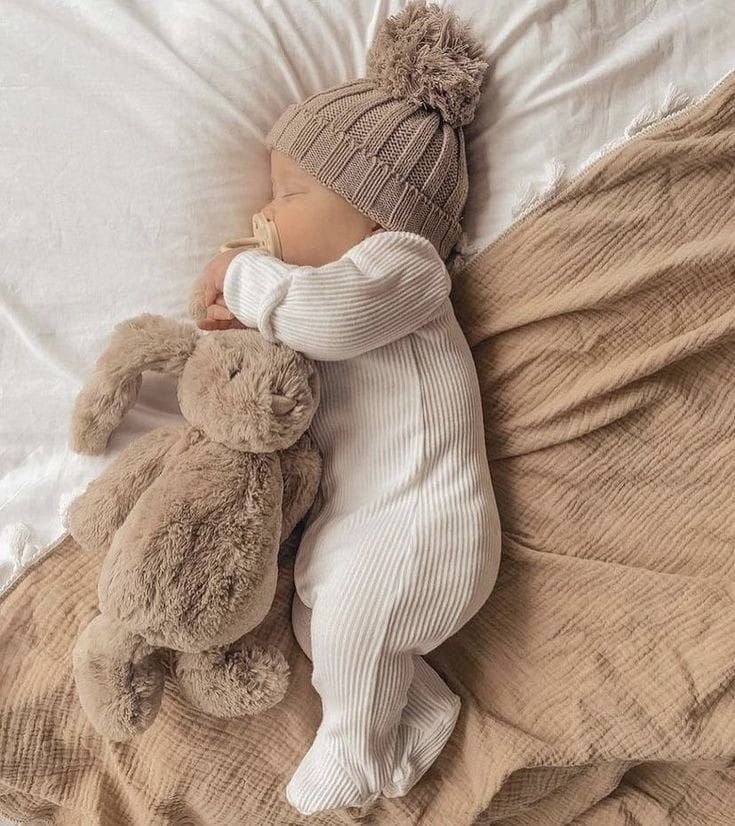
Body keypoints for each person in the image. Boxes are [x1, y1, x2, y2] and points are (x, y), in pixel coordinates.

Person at [198, 2, 501, 815]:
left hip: (426, 526)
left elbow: (325, 316)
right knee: (319, 629)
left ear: (376, 204)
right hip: (367, 527)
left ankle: (349, 751)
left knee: (349, 635)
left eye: (290, 192)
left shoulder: (404, 267)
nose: (266, 216)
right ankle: (418, 708)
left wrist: (241, 275)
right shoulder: (348, 277)